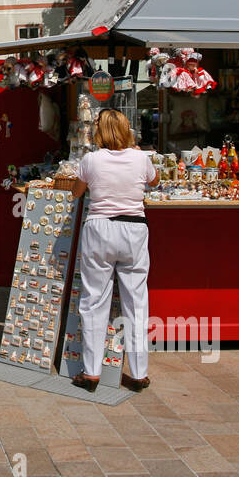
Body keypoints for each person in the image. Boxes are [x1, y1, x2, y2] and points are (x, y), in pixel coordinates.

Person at [69, 109, 160, 392]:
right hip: (134, 228)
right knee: (136, 301)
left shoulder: (91, 160)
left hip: (100, 228)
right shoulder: (140, 158)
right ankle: (139, 372)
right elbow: (154, 181)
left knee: (94, 300)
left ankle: (92, 371)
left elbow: (76, 192)